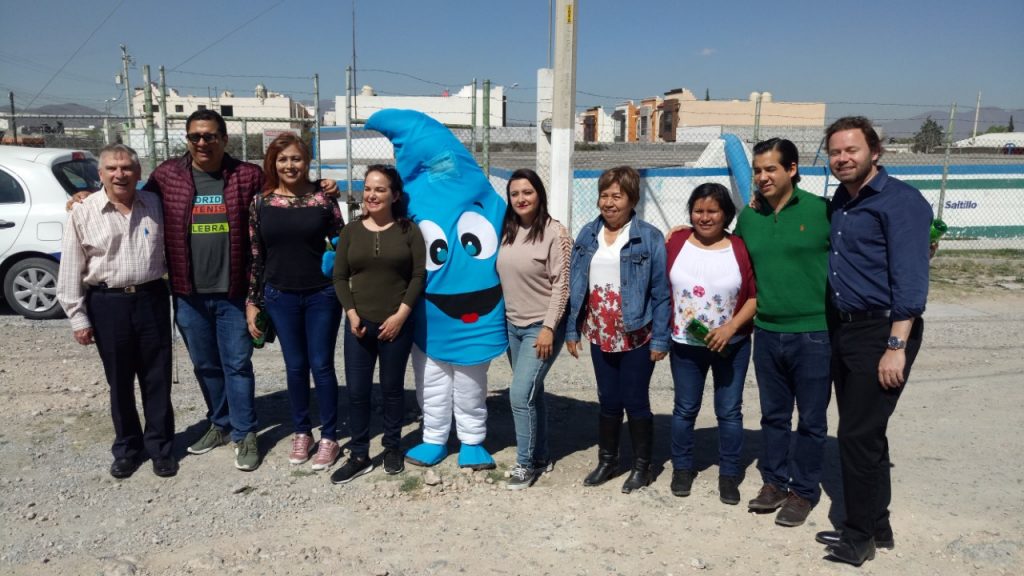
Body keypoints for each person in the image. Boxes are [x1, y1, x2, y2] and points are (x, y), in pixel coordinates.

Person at [816, 117, 931, 567]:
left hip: (883, 331)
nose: (843, 159)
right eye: (835, 152)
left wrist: (896, 347)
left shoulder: (901, 202)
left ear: (874, 152)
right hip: (845, 328)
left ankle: (858, 536)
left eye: (852, 150)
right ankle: (878, 526)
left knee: (856, 435)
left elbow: (911, 281)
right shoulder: (842, 202)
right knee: (867, 432)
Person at [56, 144, 176, 479]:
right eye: (111, 168)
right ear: (100, 174)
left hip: (152, 298)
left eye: (126, 168)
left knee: (157, 378)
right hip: (108, 304)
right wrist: (78, 317)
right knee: (120, 382)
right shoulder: (84, 211)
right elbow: (71, 267)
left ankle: (161, 448)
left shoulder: (155, 204)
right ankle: (127, 449)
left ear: (139, 173)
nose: (119, 174)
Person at [735, 138, 832, 527]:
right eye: (758, 170)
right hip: (767, 332)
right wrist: (681, 232)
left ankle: (803, 491)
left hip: (815, 333)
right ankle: (774, 483)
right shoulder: (749, 217)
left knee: (811, 419)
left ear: (792, 169)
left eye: (771, 169)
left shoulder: (822, 210)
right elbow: (728, 251)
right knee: (773, 416)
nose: (762, 177)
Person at [565, 166, 670, 494]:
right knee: (608, 400)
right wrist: (572, 329)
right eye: (604, 195)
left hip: (637, 334)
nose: (609, 203)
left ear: (632, 199)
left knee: (635, 400)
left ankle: (642, 466)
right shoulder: (587, 234)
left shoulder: (649, 237)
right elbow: (576, 285)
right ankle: (608, 461)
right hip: (600, 333)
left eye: (617, 196)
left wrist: (661, 339)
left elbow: (661, 292)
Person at [246, 133, 344, 472]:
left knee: (322, 365)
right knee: (295, 366)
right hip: (280, 295)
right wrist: (253, 301)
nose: (290, 165)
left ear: (307, 162)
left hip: (322, 295)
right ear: (273, 163)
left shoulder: (323, 199)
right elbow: (256, 255)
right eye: (283, 159)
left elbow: (341, 242)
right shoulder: (260, 203)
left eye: (296, 158)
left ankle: (329, 436)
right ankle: (302, 431)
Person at [330, 165, 425, 484]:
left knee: (392, 390)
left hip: (396, 325)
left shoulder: (409, 231)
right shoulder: (351, 232)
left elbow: (418, 275)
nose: (371, 195)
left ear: (394, 195)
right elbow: (339, 276)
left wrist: (401, 315)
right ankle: (359, 454)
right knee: (357, 392)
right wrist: (351, 314)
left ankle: (392, 447)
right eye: (368, 188)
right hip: (359, 326)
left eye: (380, 189)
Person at [665, 183, 756, 505]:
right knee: (685, 409)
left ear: (726, 214)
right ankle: (682, 468)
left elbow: (755, 296)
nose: (704, 217)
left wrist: (731, 328)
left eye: (712, 211)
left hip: (731, 345)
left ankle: (729, 474)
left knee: (729, 411)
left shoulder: (740, 248)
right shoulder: (676, 242)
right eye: (698, 211)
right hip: (685, 345)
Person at [495, 169, 571, 490]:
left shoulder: (556, 233)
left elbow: (562, 285)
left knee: (518, 394)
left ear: (539, 194)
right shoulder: (508, 229)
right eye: (515, 194)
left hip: (541, 327)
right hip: (512, 324)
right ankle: (540, 456)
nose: (521, 198)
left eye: (527, 192)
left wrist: (549, 328)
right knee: (532, 392)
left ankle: (524, 464)